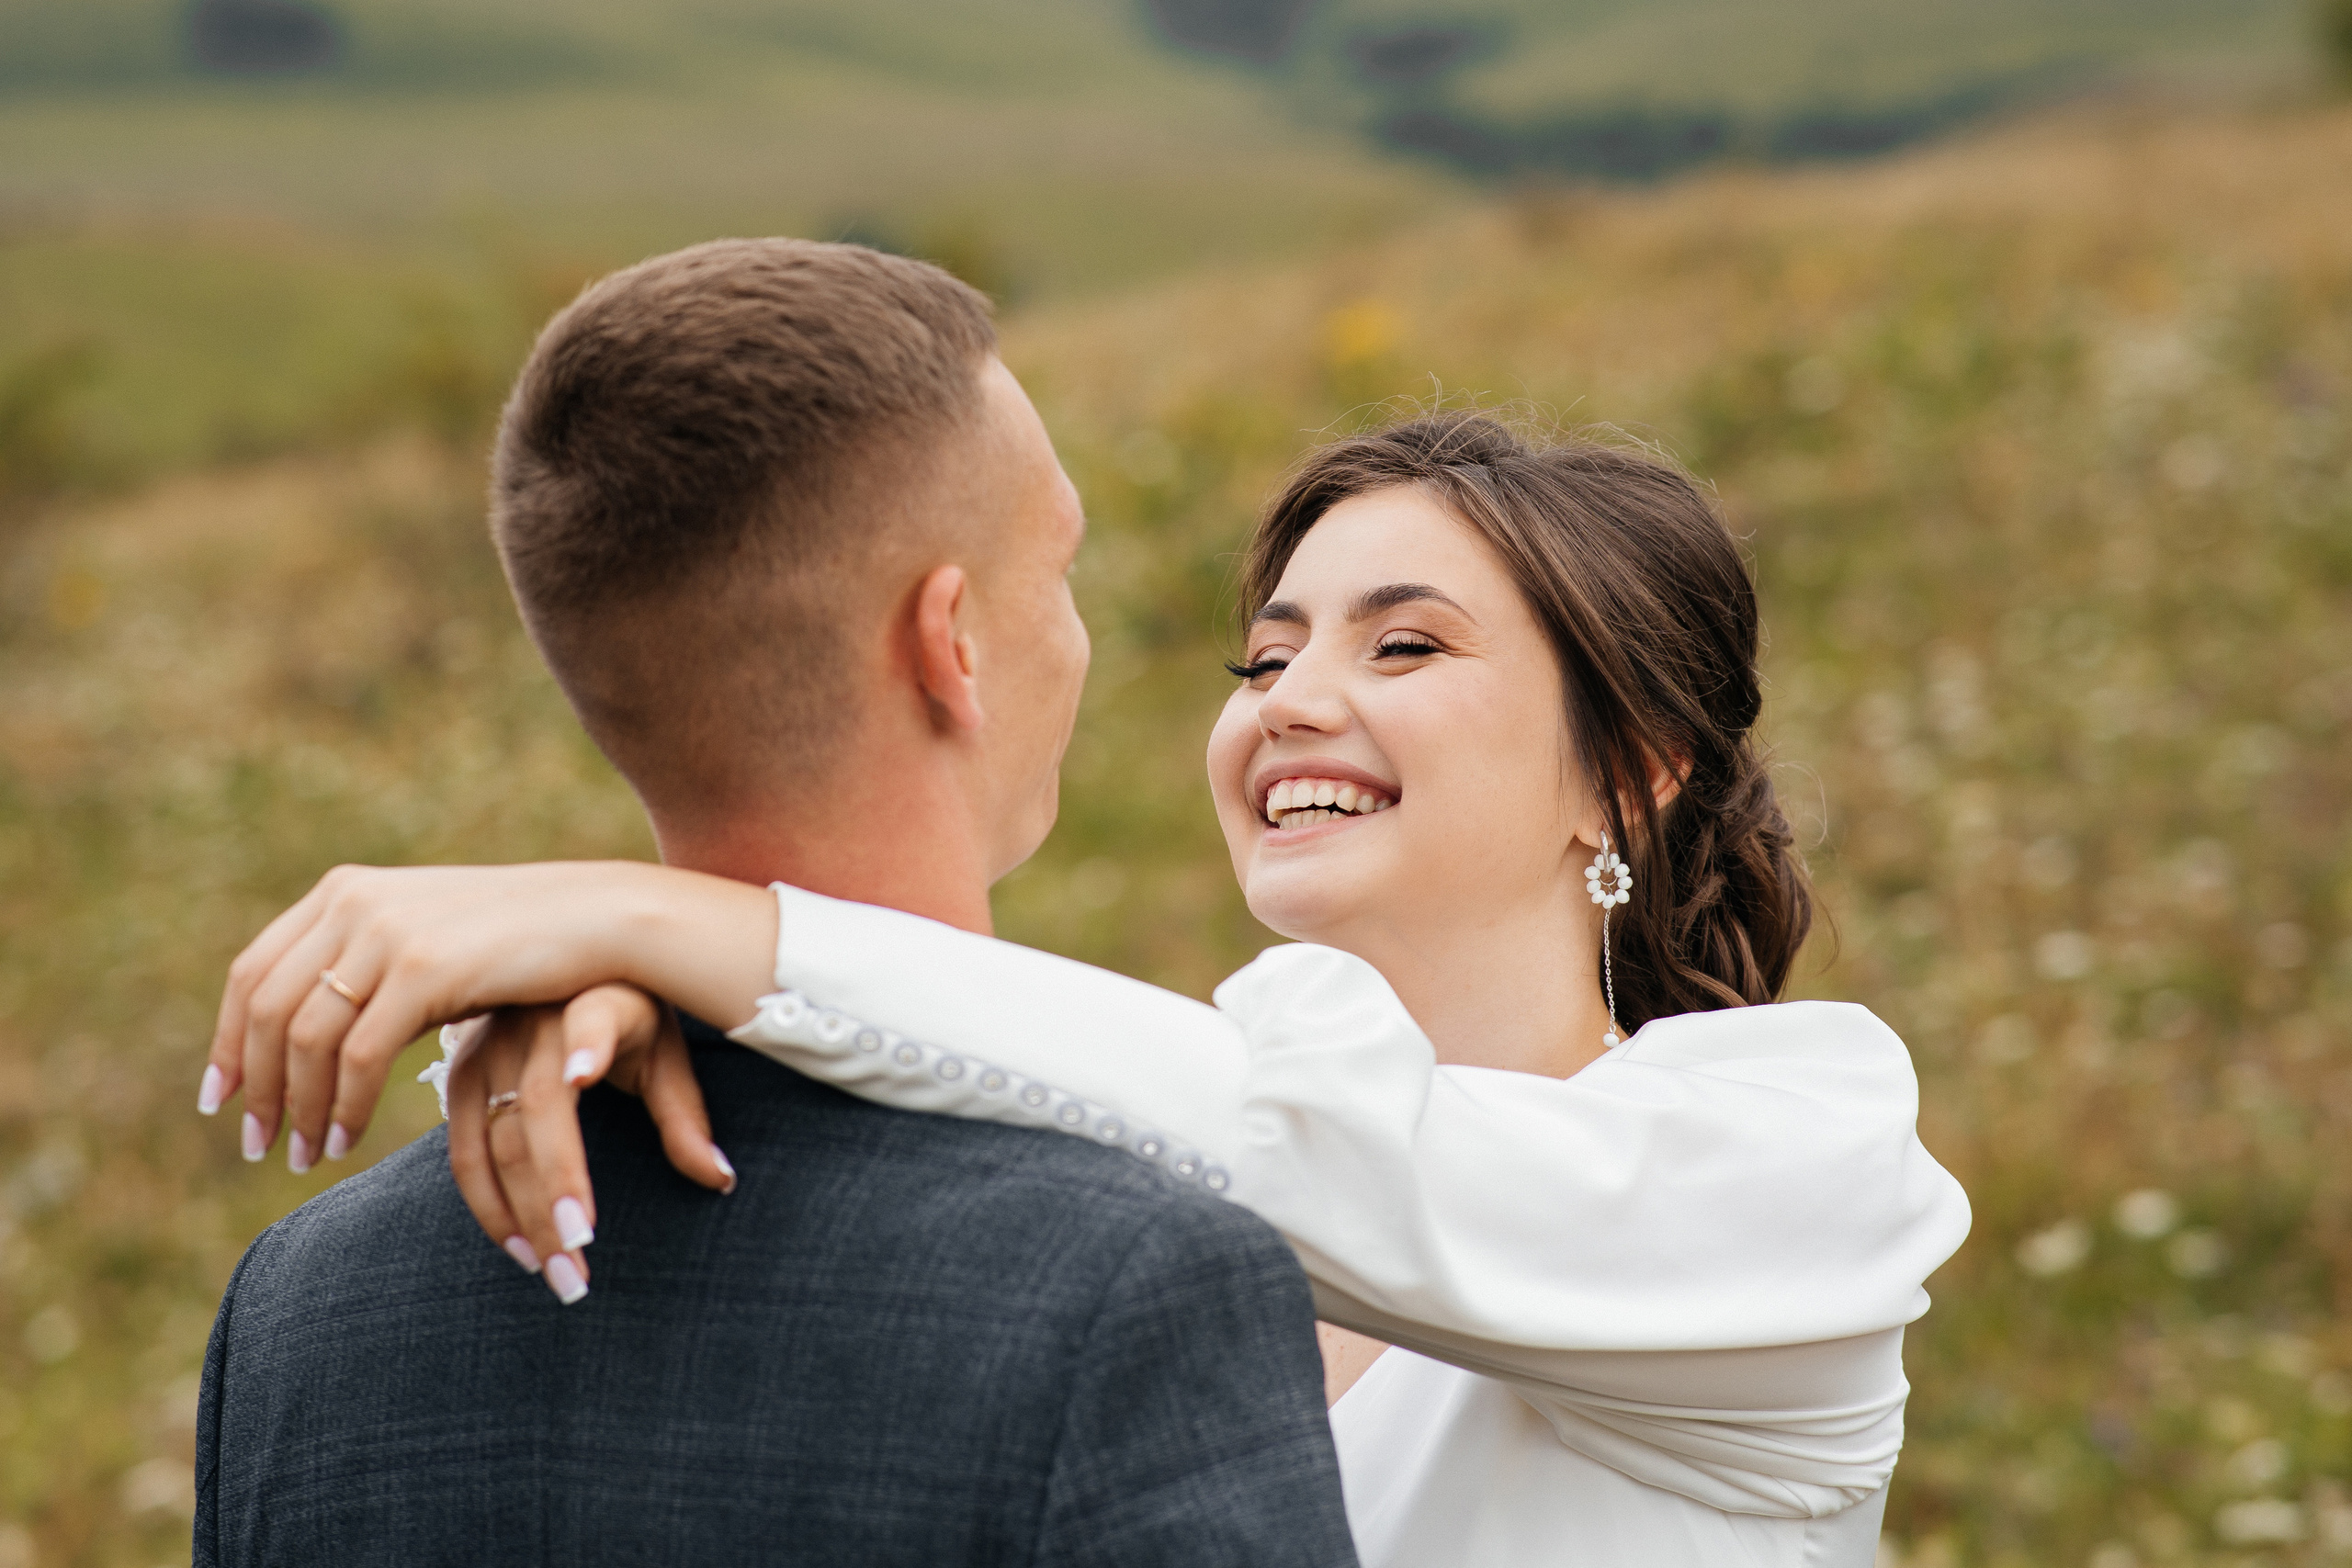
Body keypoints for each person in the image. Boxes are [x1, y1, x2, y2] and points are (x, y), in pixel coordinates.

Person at [208, 344, 1974, 1562]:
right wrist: (633, 1010)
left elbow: (1307, 1154)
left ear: (1634, 771)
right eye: (1263, 661)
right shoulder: (1127, 1126)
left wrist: (678, 920)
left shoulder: (1796, 1161)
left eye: (1408, 647)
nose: (1298, 705)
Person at [192, 239, 1361, 1568]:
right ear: (952, 643)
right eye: (1062, 567)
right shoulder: (1135, 1285)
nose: (1075, 627)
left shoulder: (299, 1311)